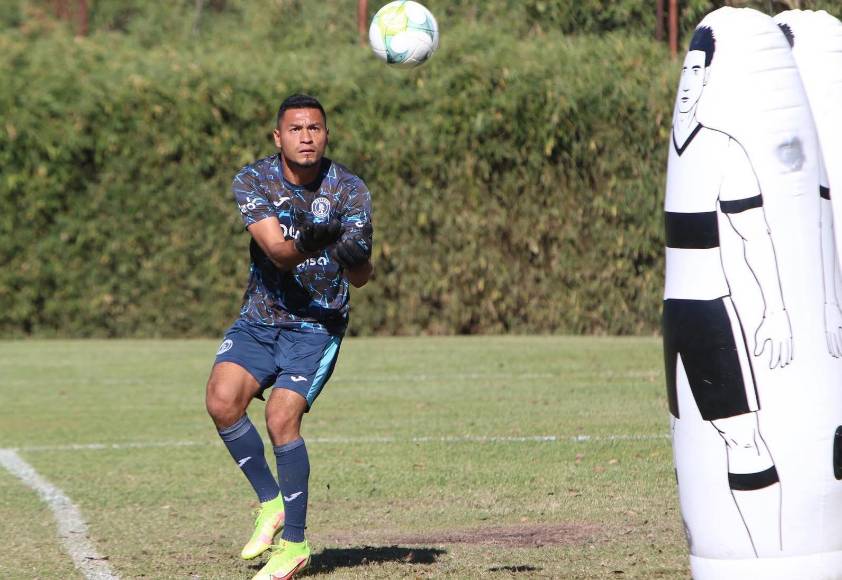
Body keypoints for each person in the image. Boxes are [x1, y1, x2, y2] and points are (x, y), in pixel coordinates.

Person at [205, 94, 374, 580]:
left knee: (282, 418)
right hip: (260, 318)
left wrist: (355, 254)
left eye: (315, 129)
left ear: (326, 135)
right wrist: (313, 240)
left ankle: (296, 546)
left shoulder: (349, 190)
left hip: (316, 326)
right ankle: (270, 502)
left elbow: (361, 275)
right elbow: (278, 253)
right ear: (278, 137)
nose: (306, 136)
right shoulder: (253, 179)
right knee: (221, 401)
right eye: (296, 129)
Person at [664, 26, 791, 556]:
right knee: (692, 441)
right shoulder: (674, 147)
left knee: (743, 438)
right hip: (674, 315)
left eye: (699, 72)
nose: (689, 81)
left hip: (713, 315)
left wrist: (776, 311)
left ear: (711, 80)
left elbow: (755, 233)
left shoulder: (724, 149)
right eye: (685, 71)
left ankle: (771, 555)